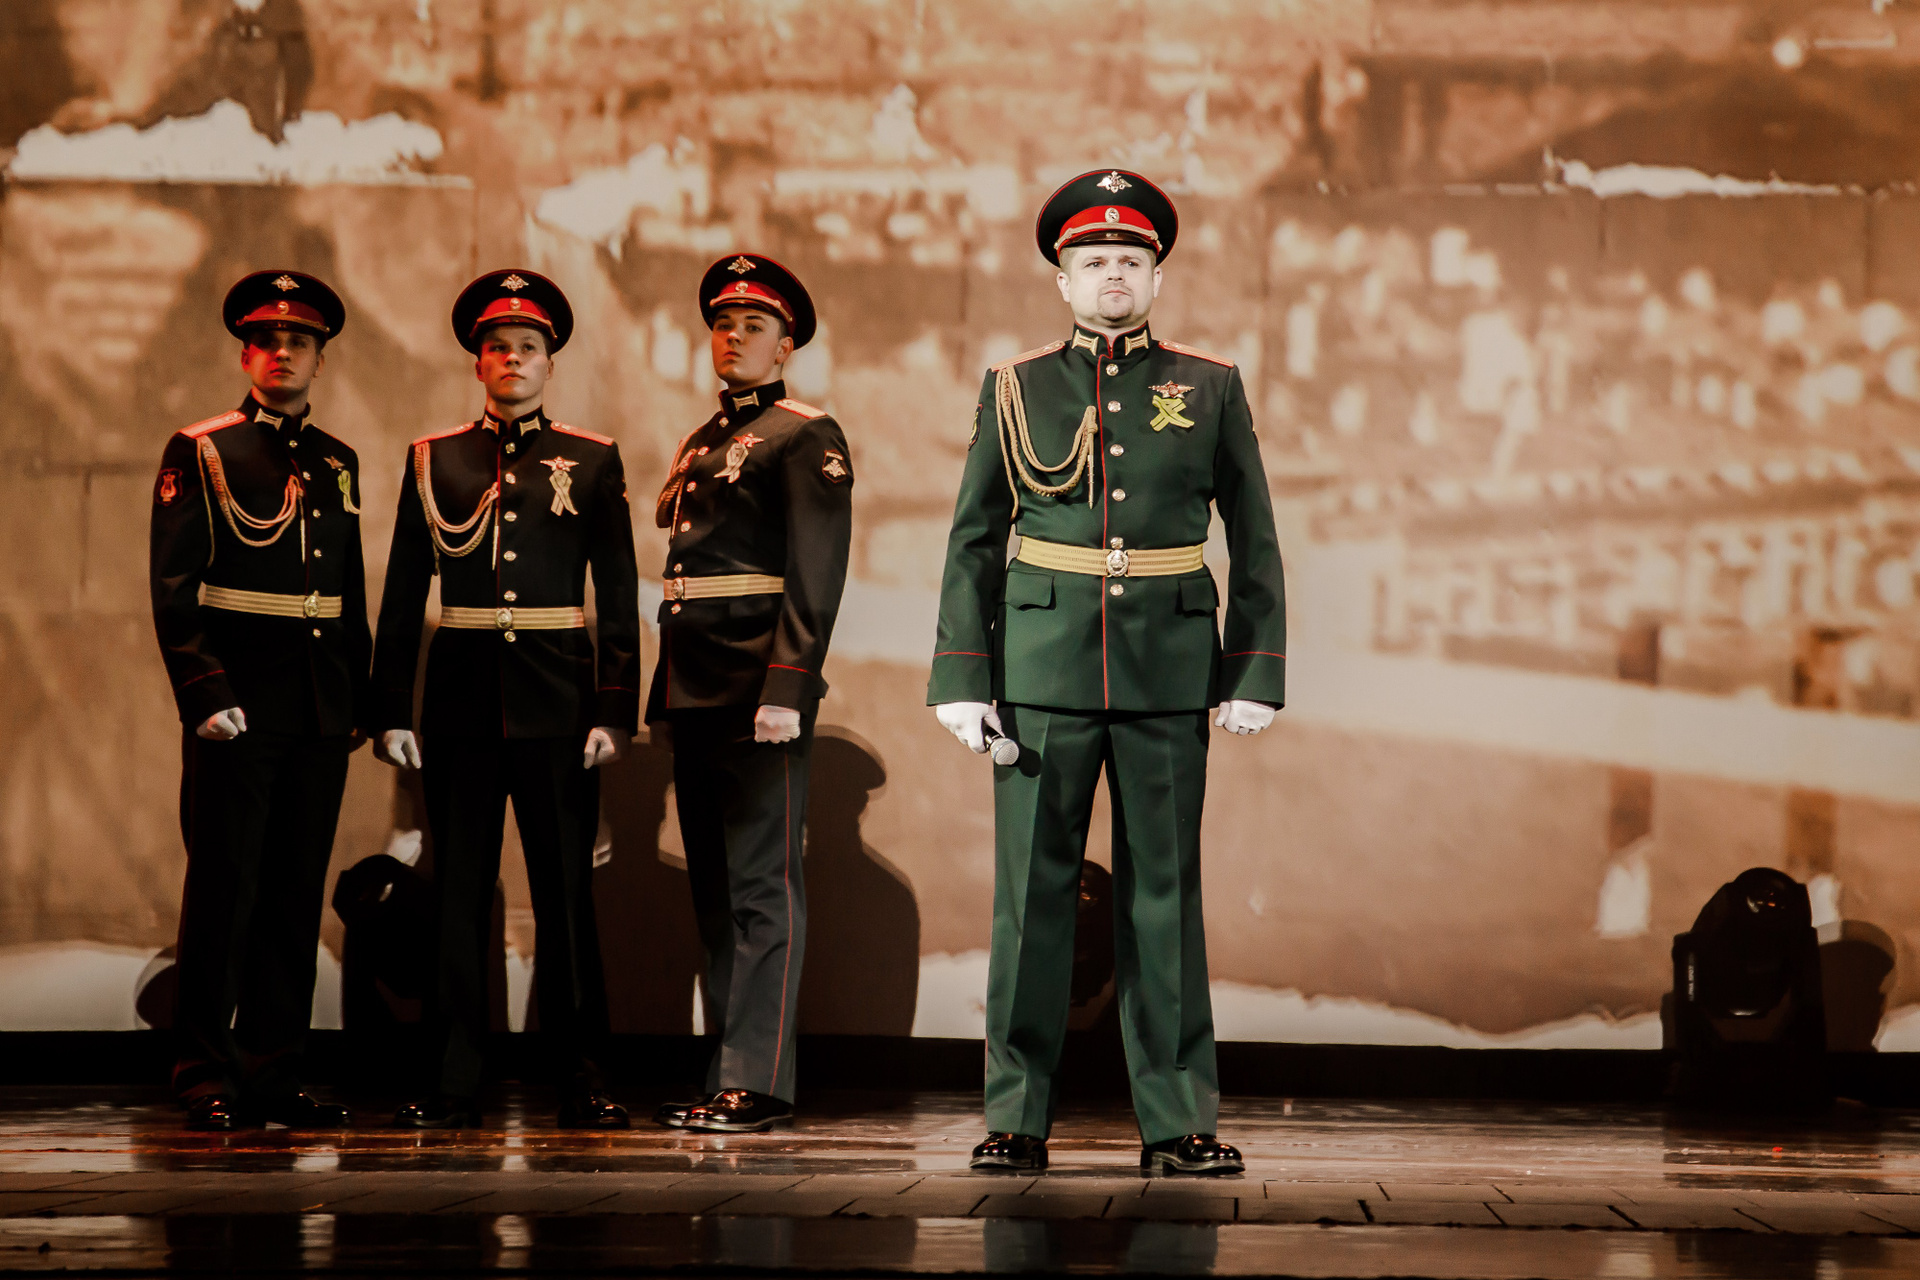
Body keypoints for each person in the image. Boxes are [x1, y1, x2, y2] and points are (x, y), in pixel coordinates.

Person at [928, 170, 1287, 1174]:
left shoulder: (1209, 386)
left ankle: (1177, 1121)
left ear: (1157, 275)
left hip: (1168, 668)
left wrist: (1253, 667)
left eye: (1130, 260)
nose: (1113, 276)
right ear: (1063, 280)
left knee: (1163, 899)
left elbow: (1255, 537)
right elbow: (973, 539)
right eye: (1093, 262)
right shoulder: (1015, 387)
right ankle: (1016, 1116)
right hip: (1040, 669)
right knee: (1030, 901)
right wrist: (962, 676)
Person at [371, 269, 638, 1130]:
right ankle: (452, 1078)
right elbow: (403, 592)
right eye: (498, 347)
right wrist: (390, 708)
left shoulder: (590, 459)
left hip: (560, 705)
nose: (512, 358)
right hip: (460, 705)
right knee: (459, 898)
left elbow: (618, 593)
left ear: (550, 362)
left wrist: (613, 708)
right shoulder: (434, 459)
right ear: (477, 362)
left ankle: (584, 1075)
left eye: (528, 347)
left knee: (565, 899)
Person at [149, 270, 366, 1131]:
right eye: (267, 341)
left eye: (298, 342)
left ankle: (275, 1069)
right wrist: (202, 689)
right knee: (224, 891)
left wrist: (356, 697)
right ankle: (204, 1068)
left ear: (320, 359)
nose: (283, 353)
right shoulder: (202, 448)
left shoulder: (338, 462)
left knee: (293, 893)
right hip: (238, 704)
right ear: (245, 355)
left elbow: (345, 589)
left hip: (318, 708)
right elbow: (174, 586)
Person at [647, 254, 853, 1133]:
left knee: (764, 888)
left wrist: (789, 686)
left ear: (785, 345)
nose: (733, 338)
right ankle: (724, 1074)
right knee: (716, 893)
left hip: (757, 686)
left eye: (753, 327)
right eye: (723, 325)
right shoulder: (701, 440)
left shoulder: (805, 434)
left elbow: (816, 572)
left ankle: (759, 1081)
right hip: (694, 684)